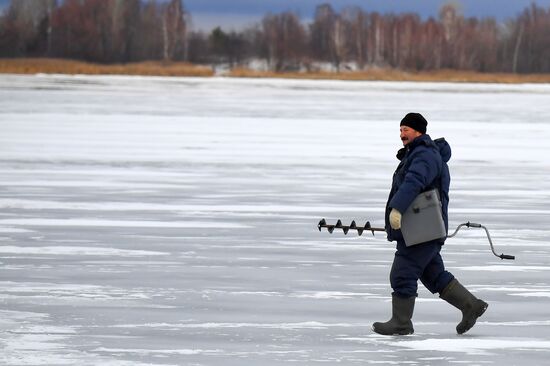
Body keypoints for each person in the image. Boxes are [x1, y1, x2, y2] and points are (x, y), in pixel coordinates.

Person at [372, 112, 488, 336]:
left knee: (402, 273)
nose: (401, 134)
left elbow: (414, 181)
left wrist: (398, 208)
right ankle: (471, 305)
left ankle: (401, 322)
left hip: (422, 229)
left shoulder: (424, 155)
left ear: (419, 131)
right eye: (400, 130)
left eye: (406, 129)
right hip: (424, 228)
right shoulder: (419, 153)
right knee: (434, 275)